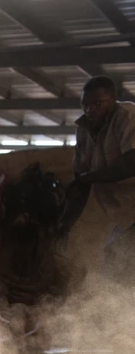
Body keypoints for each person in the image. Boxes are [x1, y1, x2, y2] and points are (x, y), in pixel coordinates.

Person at [69, 76, 135, 279]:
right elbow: (80, 180)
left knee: (117, 260)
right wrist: (65, 225)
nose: (90, 110)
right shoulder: (83, 130)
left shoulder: (128, 116)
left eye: (98, 104)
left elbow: (132, 162)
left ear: (114, 98)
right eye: (85, 105)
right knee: (116, 263)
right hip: (125, 214)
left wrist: (90, 178)